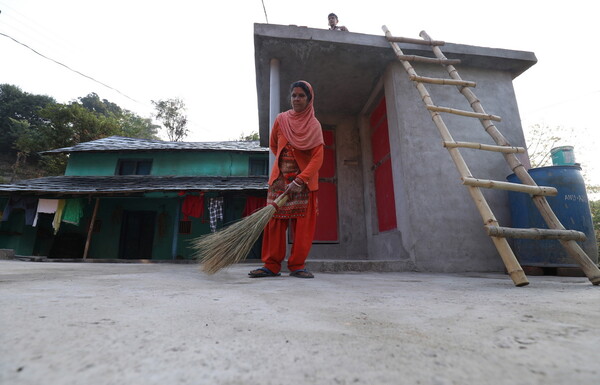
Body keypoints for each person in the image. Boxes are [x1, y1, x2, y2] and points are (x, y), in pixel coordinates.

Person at [249, 81, 324, 279]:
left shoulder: (314, 125)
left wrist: (301, 179)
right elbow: (274, 145)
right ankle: (271, 266)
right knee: (274, 223)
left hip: (304, 185)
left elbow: (318, 157)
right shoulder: (281, 120)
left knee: (302, 226)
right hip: (279, 180)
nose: (297, 99)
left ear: (309, 99)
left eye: (301, 96)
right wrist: (285, 171)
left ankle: (297, 265)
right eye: (294, 95)